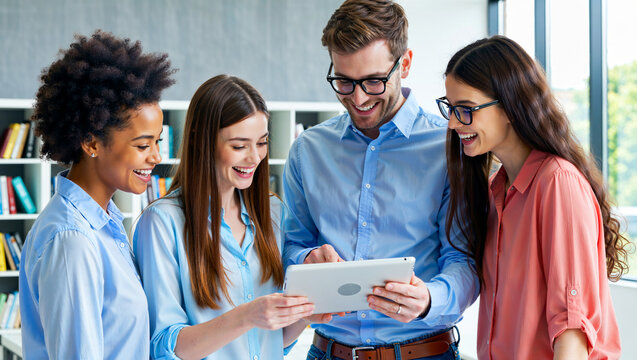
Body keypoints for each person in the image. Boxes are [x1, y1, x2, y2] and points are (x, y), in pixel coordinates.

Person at [282, 1, 479, 359]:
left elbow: (464, 259)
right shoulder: (307, 151)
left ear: (404, 64)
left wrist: (429, 299)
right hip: (327, 352)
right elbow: (290, 246)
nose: (358, 99)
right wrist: (307, 256)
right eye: (343, 81)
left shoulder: (450, 146)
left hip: (424, 352)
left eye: (373, 81)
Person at [440, 35, 628, 359]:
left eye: (466, 109)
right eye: (450, 108)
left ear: (509, 106)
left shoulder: (557, 183)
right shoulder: (496, 191)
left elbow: (571, 331)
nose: (454, 122)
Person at [133, 75, 327, 360]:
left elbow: (273, 342)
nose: (254, 158)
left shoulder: (274, 213)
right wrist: (247, 315)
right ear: (201, 141)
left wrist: (306, 314)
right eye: (239, 146)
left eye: (261, 142)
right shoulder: (162, 222)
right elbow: (165, 346)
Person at [18, 30, 175, 359]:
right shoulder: (71, 239)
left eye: (158, 142)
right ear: (91, 143)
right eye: (143, 145)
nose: (156, 157)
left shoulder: (104, 225)